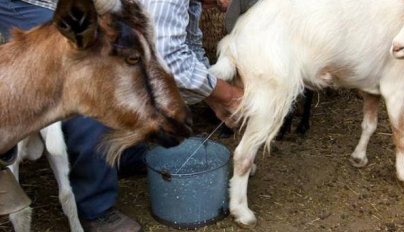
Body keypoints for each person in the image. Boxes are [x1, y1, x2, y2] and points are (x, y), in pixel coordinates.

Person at [0, 0, 242, 231]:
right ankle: (96, 207)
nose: (225, 5)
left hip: (91, 6)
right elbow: (171, 57)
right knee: (91, 81)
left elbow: (188, 45)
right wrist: (228, 96)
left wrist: (212, 96)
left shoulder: (192, 4)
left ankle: (124, 156)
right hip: (40, 4)